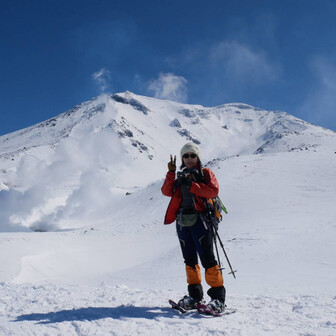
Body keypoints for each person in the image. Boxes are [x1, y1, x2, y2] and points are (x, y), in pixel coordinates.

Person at [161, 142, 226, 313]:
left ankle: (218, 299)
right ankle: (195, 296)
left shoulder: (205, 173)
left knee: (208, 260)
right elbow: (167, 191)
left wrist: (193, 186)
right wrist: (171, 173)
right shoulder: (180, 176)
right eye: (186, 156)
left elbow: (213, 191)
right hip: (182, 222)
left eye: (192, 155)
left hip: (201, 221)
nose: (189, 159)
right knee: (190, 261)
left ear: (198, 157)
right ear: (182, 158)